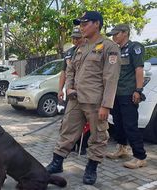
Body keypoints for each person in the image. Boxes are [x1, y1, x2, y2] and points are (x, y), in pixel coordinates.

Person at [45, 11, 121, 185]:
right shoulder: (81, 47)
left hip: (95, 102)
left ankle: (91, 168)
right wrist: (69, 87)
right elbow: (70, 69)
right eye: (80, 24)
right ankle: (57, 163)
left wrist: (106, 105)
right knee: (67, 131)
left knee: (98, 135)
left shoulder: (109, 47)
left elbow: (111, 78)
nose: (81, 27)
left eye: (85, 23)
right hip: (75, 99)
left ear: (97, 24)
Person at [106, 24, 147, 169]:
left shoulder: (134, 47)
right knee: (118, 123)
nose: (113, 36)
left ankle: (140, 157)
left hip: (128, 93)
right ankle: (121, 148)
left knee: (130, 125)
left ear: (125, 33)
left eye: (116, 34)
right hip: (115, 93)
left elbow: (139, 69)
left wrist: (138, 90)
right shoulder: (115, 50)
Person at [59, 27, 89, 155]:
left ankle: (83, 145)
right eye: (73, 38)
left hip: (87, 92)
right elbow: (63, 72)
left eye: (78, 37)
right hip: (71, 92)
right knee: (70, 120)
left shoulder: (91, 50)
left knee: (86, 121)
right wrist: (60, 89)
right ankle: (70, 144)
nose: (75, 40)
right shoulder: (69, 52)